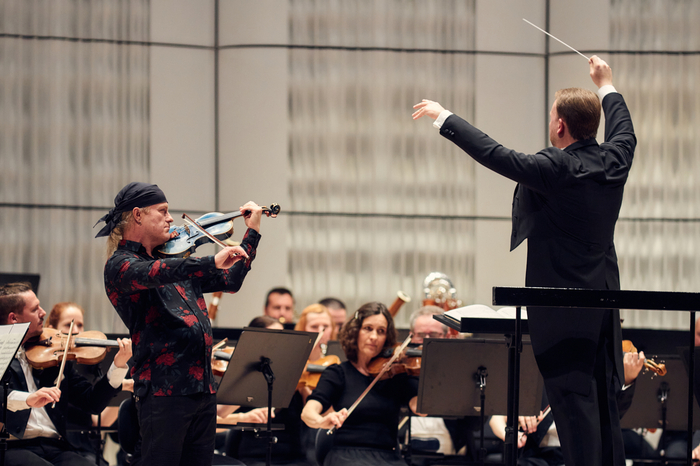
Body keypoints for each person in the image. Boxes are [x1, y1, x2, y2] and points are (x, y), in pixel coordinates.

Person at [413, 55, 636, 466]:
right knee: (603, 403)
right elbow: (624, 126)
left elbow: (495, 154)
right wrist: (606, 83)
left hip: (563, 311)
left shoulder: (557, 167)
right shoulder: (615, 158)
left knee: (573, 408)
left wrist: (444, 116)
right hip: (604, 304)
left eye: (552, 116)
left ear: (560, 126)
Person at [95, 181, 263, 466]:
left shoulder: (175, 260)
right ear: (138, 215)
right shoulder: (121, 265)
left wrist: (252, 234)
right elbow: (155, 273)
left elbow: (230, 280)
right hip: (164, 394)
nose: (171, 219)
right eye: (162, 211)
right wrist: (209, 261)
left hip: (203, 390)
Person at [0, 282, 132, 466]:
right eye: (35, 309)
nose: (43, 312)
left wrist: (118, 366)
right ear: (14, 318)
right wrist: (28, 399)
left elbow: (92, 402)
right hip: (14, 447)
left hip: (56, 446)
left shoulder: (53, 356)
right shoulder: (3, 354)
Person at [301, 302, 423, 466]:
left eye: (381, 331)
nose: (374, 337)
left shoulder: (396, 376)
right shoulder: (338, 373)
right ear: (355, 332)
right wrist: (321, 421)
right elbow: (308, 412)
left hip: (388, 458)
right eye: (368, 328)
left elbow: (420, 409)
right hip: (346, 456)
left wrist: (427, 372)